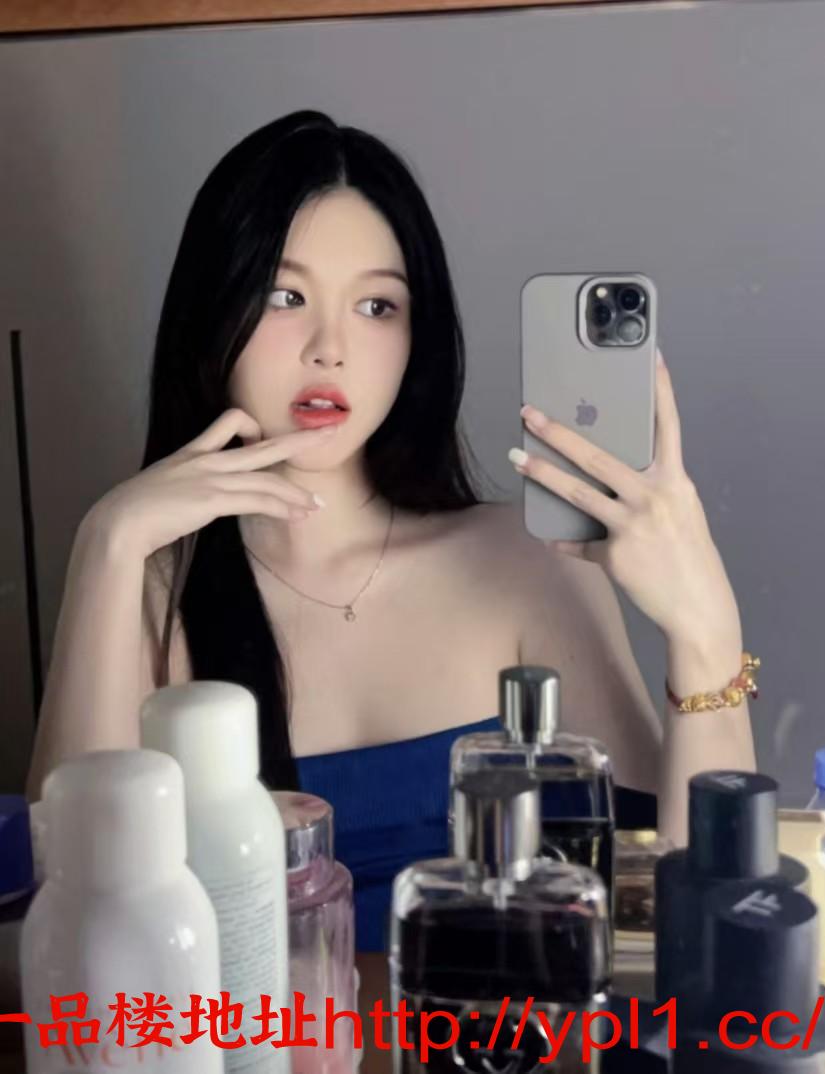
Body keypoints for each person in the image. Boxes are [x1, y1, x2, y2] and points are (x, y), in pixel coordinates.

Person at [26, 109, 756, 955]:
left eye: (377, 305)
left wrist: (706, 631)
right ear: (211, 311)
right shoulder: (151, 589)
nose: (330, 348)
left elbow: (675, 913)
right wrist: (107, 543)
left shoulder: (526, 567)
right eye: (285, 296)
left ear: (418, 339)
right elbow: (70, 927)